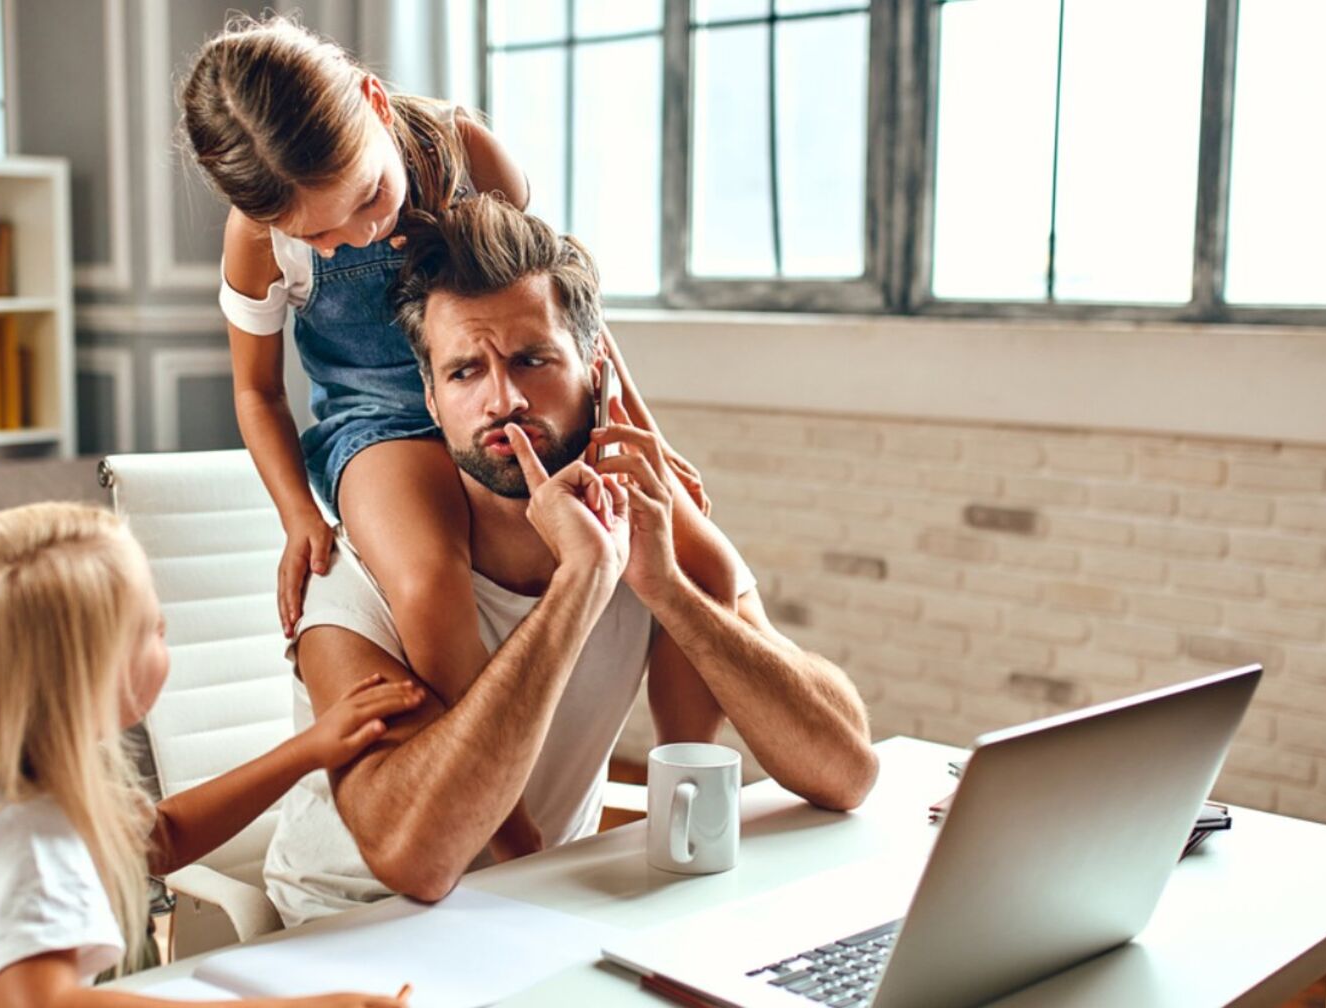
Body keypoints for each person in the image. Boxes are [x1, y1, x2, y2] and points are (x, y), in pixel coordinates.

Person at [179, 13, 731, 859]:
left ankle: (686, 795)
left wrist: (639, 431)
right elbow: (256, 393)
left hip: (502, 379)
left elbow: (564, 312)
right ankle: (506, 831)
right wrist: (298, 514)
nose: (354, 235)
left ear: (371, 101)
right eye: (319, 236)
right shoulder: (259, 241)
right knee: (429, 571)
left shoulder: (467, 154)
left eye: (367, 198)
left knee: (699, 552)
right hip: (378, 418)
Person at [262, 196, 879, 924]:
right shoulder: (359, 575)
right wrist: (579, 585)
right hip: (354, 927)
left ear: (596, 370)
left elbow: (846, 770)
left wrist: (668, 589)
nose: (504, 400)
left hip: (544, 911)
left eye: (533, 360)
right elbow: (418, 861)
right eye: (465, 373)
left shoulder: (645, 532)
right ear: (428, 397)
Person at [0, 502, 422, 1008]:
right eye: (148, 628)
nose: (165, 628)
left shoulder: (26, 787)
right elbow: (45, 1002)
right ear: (78, 681)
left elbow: (162, 838)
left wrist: (307, 751)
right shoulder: (31, 834)